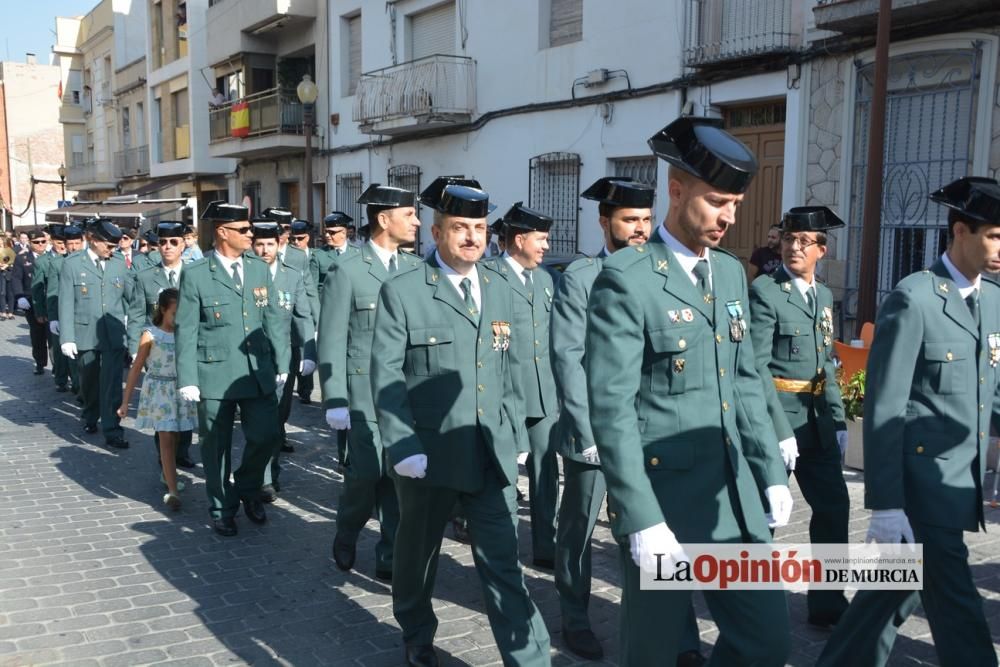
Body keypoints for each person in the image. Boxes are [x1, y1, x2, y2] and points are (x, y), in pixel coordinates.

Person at [586, 116, 793, 666]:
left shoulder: (728, 274)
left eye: (735, 206)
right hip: (665, 499)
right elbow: (611, 408)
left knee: (767, 641)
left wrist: (770, 472)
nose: (728, 217)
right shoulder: (628, 278)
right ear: (677, 192)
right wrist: (640, 514)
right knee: (652, 651)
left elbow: (745, 380)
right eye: (717, 202)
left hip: (733, 496)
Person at [816, 176, 1000, 667]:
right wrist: (886, 503)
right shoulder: (915, 297)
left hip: (958, 481)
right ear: (960, 232)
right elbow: (884, 406)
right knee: (959, 605)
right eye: (995, 235)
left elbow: (989, 394)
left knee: (890, 594)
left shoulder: (995, 300)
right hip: (920, 487)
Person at [371, 177, 551, 666]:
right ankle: (415, 629)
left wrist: (514, 435)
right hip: (428, 458)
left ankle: (530, 659)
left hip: (490, 453)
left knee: (503, 567)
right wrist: (402, 445)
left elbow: (510, 370)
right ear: (436, 232)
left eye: (479, 227)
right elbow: (386, 375)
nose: (472, 237)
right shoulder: (404, 291)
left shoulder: (499, 287)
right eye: (460, 228)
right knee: (418, 554)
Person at [552, 176, 656, 662]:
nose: (639, 229)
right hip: (594, 431)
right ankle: (574, 616)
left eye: (645, 220)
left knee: (647, 527)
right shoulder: (582, 277)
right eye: (629, 220)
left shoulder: (660, 272)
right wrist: (586, 431)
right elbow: (569, 358)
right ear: (605, 222)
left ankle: (666, 630)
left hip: (647, 430)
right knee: (578, 527)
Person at [748, 206, 851, 628]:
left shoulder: (823, 296)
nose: (793, 247)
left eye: (803, 242)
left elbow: (828, 360)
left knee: (834, 508)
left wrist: (840, 419)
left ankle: (828, 602)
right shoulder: (766, 292)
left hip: (818, 423)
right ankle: (752, 604)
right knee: (765, 517)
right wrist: (775, 431)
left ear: (821, 250)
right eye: (789, 239)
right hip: (779, 423)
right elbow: (754, 368)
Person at [318, 184, 421, 582]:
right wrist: (335, 399)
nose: (415, 221)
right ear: (384, 219)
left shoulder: (416, 268)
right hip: (361, 394)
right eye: (409, 215)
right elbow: (331, 337)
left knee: (400, 479)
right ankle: (348, 529)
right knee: (364, 476)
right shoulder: (349, 269)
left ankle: (390, 556)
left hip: (404, 394)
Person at [174, 201, 290, 537]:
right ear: (223, 233)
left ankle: (247, 486)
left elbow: (271, 318)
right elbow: (187, 328)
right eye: (244, 230)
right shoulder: (196, 273)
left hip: (255, 370)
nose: (251, 235)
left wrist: (281, 362)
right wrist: (188, 378)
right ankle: (221, 506)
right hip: (213, 373)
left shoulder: (257, 268)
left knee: (268, 435)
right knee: (215, 445)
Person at [481, 202, 560, 572]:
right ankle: (504, 550)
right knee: (504, 478)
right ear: (518, 239)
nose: (546, 247)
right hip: (505, 396)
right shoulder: (487, 275)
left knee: (546, 476)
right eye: (540, 240)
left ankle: (546, 545)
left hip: (543, 395)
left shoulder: (544, 279)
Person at [249, 220, 314, 500]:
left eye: (270, 244)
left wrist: (309, 353)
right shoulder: (244, 273)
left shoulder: (292, 275)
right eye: (259, 244)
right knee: (257, 423)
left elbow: (302, 315)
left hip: (283, 358)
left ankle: (270, 473)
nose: (264, 250)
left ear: (280, 244)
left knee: (276, 420)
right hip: (248, 358)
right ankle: (259, 478)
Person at [58, 219, 135, 448]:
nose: (111, 250)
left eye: (114, 246)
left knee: (112, 383)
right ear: (92, 239)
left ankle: (113, 429)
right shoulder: (73, 264)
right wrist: (67, 337)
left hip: (113, 333)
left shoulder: (119, 263)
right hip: (85, 332)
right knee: (89, 380)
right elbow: (66, 302)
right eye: (108, 246)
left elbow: (130, 297)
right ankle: (90, 415)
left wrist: (135, 323)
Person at [118, 287, 196, 511]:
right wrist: (125, 402)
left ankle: (166, 473)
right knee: (166, 439)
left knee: (179, 436)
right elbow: (135, 369)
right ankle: (172, 491)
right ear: (162, 310)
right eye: (174, 313)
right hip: (160, 392)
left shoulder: (185, 333)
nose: (178, 319)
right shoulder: (150, 334)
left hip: (180, 391)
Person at [127, 222, 197, 470]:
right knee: (162, 404)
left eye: (173, 242)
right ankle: (163, 452)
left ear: (183, 244)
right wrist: (135, 346)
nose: (167, 247)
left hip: (189, 348)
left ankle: (183, 450)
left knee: (187, 400)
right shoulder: (146, 277)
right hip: (157, 350)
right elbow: (137, 314)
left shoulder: (195, 273)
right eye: (162, 242)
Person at [45, 224, 84, 394]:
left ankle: (82, 386)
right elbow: (52, 293)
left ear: (82, 242)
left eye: (77, 243)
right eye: (70, 244)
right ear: (65, 244)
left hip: (87, 315)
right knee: (72, 355)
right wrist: (53, 317)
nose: (74, 247)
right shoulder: (57, 264)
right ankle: (77, 386)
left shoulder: (89, 261)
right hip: (67, 315)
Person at [13, 229, 51, 375]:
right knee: (37, 334)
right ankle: (40, 362)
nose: (40, 244)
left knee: (53, 335)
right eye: (36, 242)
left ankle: (58, 367)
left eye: (43, 241)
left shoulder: (51, 257)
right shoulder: (22, 258)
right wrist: (19, 296)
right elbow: (16, 279)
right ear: (30, 243)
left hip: (50, 301)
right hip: (31, 300)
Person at [310, 211, 358, 301]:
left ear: (343, 233)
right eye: (326, 232)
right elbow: (312, 290)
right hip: (326, 305)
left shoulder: (357, 253)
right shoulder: (318, 255)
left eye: (332, 232)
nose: (327, 235)